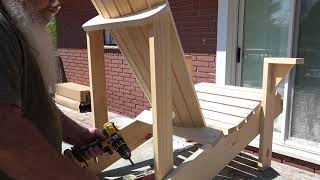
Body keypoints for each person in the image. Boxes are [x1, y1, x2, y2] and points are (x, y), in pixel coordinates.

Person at [0, 0, 106, 179]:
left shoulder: (16, 32)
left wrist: (78, 134)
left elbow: (36, 102)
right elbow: (6, 137)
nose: (55, 6)